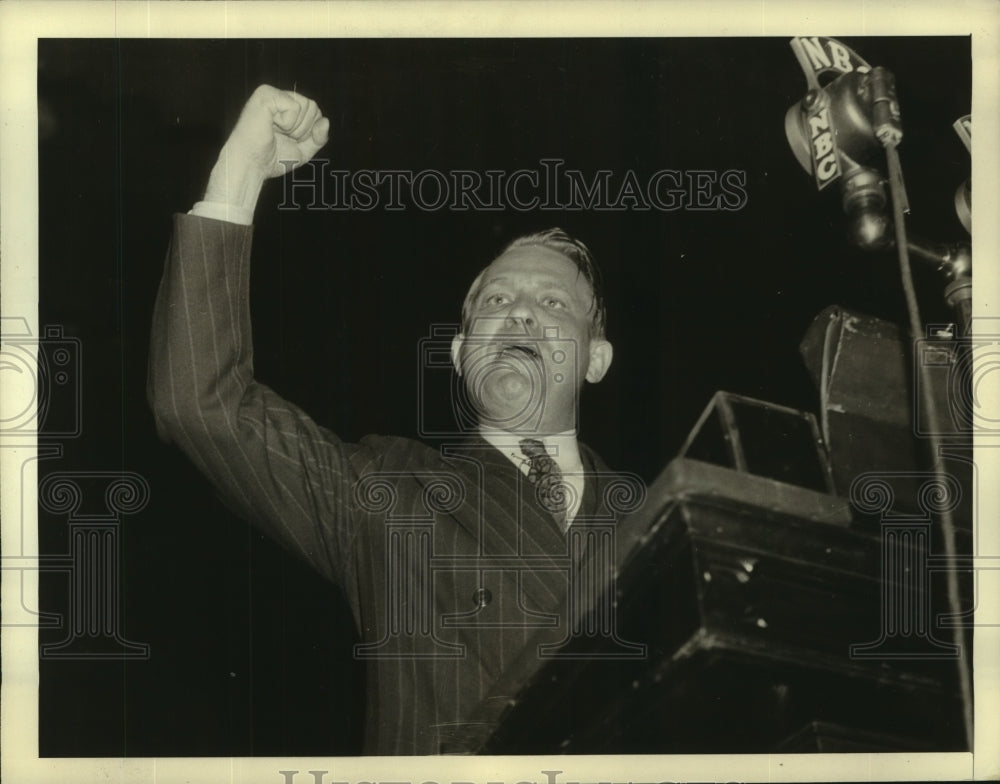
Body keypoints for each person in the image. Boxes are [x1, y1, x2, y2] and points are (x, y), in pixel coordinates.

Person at [148, 85, 634, 754]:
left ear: (596, 358)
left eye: (553, 302)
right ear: (461, 354)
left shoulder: (660, 517)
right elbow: (200, 399)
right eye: (497, 297)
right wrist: (240, 170)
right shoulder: (385, 487)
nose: (521, 312)